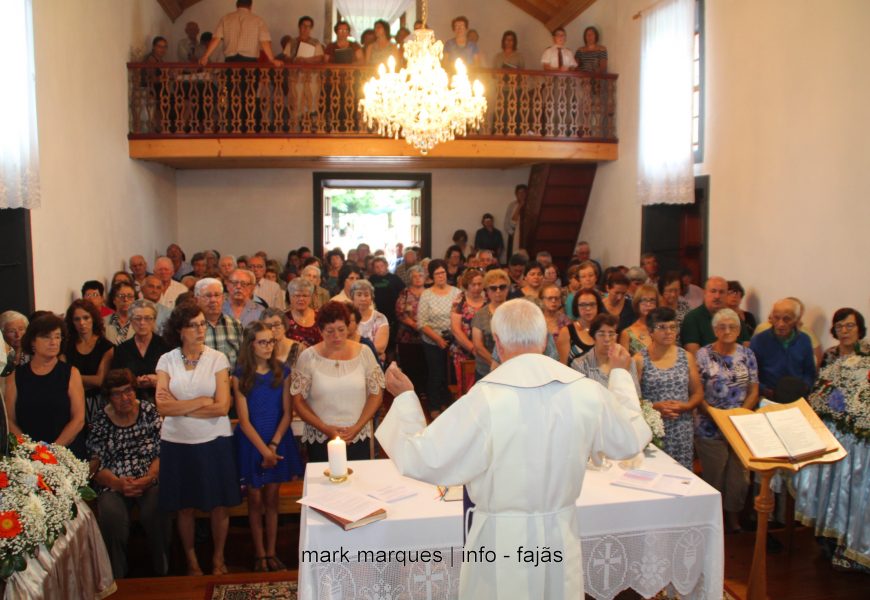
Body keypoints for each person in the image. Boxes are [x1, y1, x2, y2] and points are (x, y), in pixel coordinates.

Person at [376, 299, 652, 599]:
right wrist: (621, 376)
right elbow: (630, 440)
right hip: (558, 534)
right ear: (545, 338)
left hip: (501, 541)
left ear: (497, 342)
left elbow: (423, 458)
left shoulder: (485, 398)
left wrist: (404, 398)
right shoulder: (584, 390)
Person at [156, 303, 239, 576]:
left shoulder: (217, 359)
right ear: (180, 330)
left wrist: (183, 404)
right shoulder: (167, 360)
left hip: (214, 439)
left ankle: (218, 559)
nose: (200, 329)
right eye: (193, 325)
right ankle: (192, 562)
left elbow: (222, 407)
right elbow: (162, 407)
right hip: (177, 442)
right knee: (184, 506)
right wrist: (202, 400)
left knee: (218, 504)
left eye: (202, 324)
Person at [793, 308, 869, 572]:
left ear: (860, 329)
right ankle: (827, 537)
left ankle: (849, 541)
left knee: (851, 489)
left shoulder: (867, 357)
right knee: (828, 485)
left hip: (856, 439)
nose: (844, 331)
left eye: (850, 326)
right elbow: (820, 391)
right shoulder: (830, 356)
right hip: (830, 431)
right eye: (840, 327)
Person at [233, 322, 303, 573]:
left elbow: (287, 412)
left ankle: (272, 551)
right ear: (250, 344)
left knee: (272, 499)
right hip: (253, 442)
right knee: (254, 499)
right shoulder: (241, 374)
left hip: (277, 438)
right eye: (262, 342)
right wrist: (264, 450)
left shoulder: (281, 371)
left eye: (271, 341)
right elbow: (243, 419)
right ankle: (259, 554)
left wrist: (273, 444)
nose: (268, 346)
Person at [88, 369, 169, 578]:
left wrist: (149, 478)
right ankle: (117, 578)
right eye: (117, 393)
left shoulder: (149, 411)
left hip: (149, 479)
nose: (125, 397)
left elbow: (162, 451)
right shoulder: (101, 420)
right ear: (109, 397)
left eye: (128, 391)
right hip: (113, 482)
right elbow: (95, 463)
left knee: (156, 509)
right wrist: (118, 483)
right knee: (112, 517)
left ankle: (163, 570)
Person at [290, 302, 384, 461]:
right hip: (321, 437)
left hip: (357, 434)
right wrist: (326, 429)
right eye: (330, 331)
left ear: (349, 328)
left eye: (341, 330)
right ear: (320, 331)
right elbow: (298, 401)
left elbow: (376, 394)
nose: (337, 336)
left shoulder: (364, 352)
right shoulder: (308, 357)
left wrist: (358, 426)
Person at [694, 308, 759, 533]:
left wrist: (740, 413)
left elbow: (753, 388)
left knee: (739, 478)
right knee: (715, 475)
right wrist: (714, 413)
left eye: (732, 326)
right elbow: (696, 389)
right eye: (722, 326)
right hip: (709, 424)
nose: (727, 330)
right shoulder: (702, 354)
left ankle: (734, 520)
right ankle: (713, 523)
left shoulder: (747, 354)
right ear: (715, 330)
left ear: (739, 330)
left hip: (739, 424)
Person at [5, 313, 86, 458]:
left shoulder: (71, 373)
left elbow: (78, 419)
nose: (53, 342)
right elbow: (9, 420)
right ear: (32, 342)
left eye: (57, 336)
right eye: (47, 337)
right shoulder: (15, 376)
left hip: (64, 451)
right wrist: (30, 449)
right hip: (27, 453)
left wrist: (52, 450)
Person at [635, 307, 703, 470]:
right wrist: (655, 408)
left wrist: (686, 406)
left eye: (672, 327)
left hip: (682, 428)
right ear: (650, 331)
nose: (668, 332)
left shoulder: (686, 357)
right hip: (654, 429)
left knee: (682, 477)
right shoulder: (639, 359)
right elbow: (631, 400)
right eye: (662, 328)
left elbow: (698, 393)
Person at [417, 259, 461, 417]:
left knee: (451, 375)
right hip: (432, 341)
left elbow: (460, 315)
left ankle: (448, 404)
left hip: (454, 340)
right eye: (437, 273)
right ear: (432, 276)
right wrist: (438, 339)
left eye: (443, 272)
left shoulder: (456, 292)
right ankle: (434, 405)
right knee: (436, 373)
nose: (441, 276)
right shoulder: (426, 295)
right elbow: (422, 323)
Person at [749, 298, 816, 400]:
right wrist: (765, 390)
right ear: (771, 318)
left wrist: (804, 387)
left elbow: (809, 372)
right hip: (767, 396)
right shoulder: (759, 340)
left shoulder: (804, 340)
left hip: (798, 396)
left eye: (787, 319)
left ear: (796, 320)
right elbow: (751, 375)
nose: (780, 324)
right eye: (776, 318)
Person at [64, 299, 114, 426]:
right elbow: (63, 378)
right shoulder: (66, 347)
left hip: (97, 403)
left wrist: (74, 377)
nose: (82, 323)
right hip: (71, 401)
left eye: (86, 318)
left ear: (93, 318)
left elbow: (99, 380)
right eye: (77, 319)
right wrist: (86, 380)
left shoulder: (105, 346)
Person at [111, 300, 169, 404]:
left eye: (147, 318)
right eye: (137, 318)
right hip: (131, 403)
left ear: (154, 321)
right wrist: (134, 382)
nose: (142, 323)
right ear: (131, 321)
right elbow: (115, 380)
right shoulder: (122, 349)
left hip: (162, 401)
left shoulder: (166, 346)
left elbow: (178, 377)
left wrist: (158, 380)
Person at [198, 0, 282, 68]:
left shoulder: (226, 18)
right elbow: (265, 42)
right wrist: (272, 59)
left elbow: (216, 38)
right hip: (250, 63)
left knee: (232, 88)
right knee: (250, 88)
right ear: (250, 6)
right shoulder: (258, 20)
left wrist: (205, 56)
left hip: (230, 62)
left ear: (237, 5)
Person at [681, 276, 751, 354]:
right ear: (705, 293)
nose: (717, 296)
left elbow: (746, 345)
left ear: (726, 295)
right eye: (713, 291)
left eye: (721, 292)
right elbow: (693, 353)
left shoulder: (733, 317)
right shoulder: (692, 318)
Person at [572, 313, 640, 391]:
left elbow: (636, 394)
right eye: (601, 334)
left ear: (616, 337)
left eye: (611, 334)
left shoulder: (628, 361)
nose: (607, 339)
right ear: (593, 337)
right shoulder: (580, 364)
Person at [471, 269, 510, 381]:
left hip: (512, 367)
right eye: (493, 288)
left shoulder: (515, 311)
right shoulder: (480, 314)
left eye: (502, 287)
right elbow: (478, 346)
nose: (498, 291)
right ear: (487, 291)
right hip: (486, 369)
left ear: (507, 288)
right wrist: (497, 364)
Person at [196, 278, 244, 369]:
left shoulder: (235, 324)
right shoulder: (191, 327)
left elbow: (243, 359)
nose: (213, 300)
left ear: (223, 298)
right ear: (197, 300)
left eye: (217, 295)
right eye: (208, 296)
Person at [450, 269, 486, 391]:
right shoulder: (459, 301)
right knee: (467, 388)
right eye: (473, 284)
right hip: (464, 351)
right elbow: (456, 329)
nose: (477, 287)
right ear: (467, 285)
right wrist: (473, 348)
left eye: (480, 284)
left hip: (485, 351)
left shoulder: (488, 299)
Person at [394, 265, 428, 394]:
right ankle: (410, 392)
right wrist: (416, 325)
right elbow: (400, 313)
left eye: (420, 276)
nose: (418, 279)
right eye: (414, 276)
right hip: (407, 337)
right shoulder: (405, 293)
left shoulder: (430, 292)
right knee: (410, 367)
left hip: (427, 337)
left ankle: (424, 391)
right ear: (410, 279)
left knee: (425, 366)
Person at [557, 287, 603, 364]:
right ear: (576, 307)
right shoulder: (567, 332)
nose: (588, 308)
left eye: (592, 304)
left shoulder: (605, 329)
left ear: (598, 306)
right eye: (583, 305)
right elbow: (563, 365)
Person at [350, 279, 389, 362]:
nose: (363, 299)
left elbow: (380, 348)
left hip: (373, 362)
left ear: (371, 298)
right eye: (359, 295)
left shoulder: (380, 318)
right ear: (352, 297)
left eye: (367, 295)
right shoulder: (346, 317)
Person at [619, 284, 660, 355]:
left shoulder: (665, 328)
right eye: (644, 300)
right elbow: (624, 363)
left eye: (652, 300)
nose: (648, 304)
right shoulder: (627, 333)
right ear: (637, 303)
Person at [285, 278, 322, 347]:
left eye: (305, 296)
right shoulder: (284, 318)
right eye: (297, 295)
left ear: (311, 297)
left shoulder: (320, 317)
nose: (301, 299)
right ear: (290, 297)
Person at [658, 271, 690, 343]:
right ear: (661, 290)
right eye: (669, 291)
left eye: (676, 290)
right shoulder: (655, 309)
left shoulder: (685, 307)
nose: (673, 295)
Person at [503, 184, 527, 256]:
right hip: (513, 234)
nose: (522, 195)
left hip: (526, 236)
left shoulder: (531, 205)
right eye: (519, 193)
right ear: (516, 194)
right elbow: (509, 222)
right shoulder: (512, 205)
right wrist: (520, 206)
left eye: (524, 192)